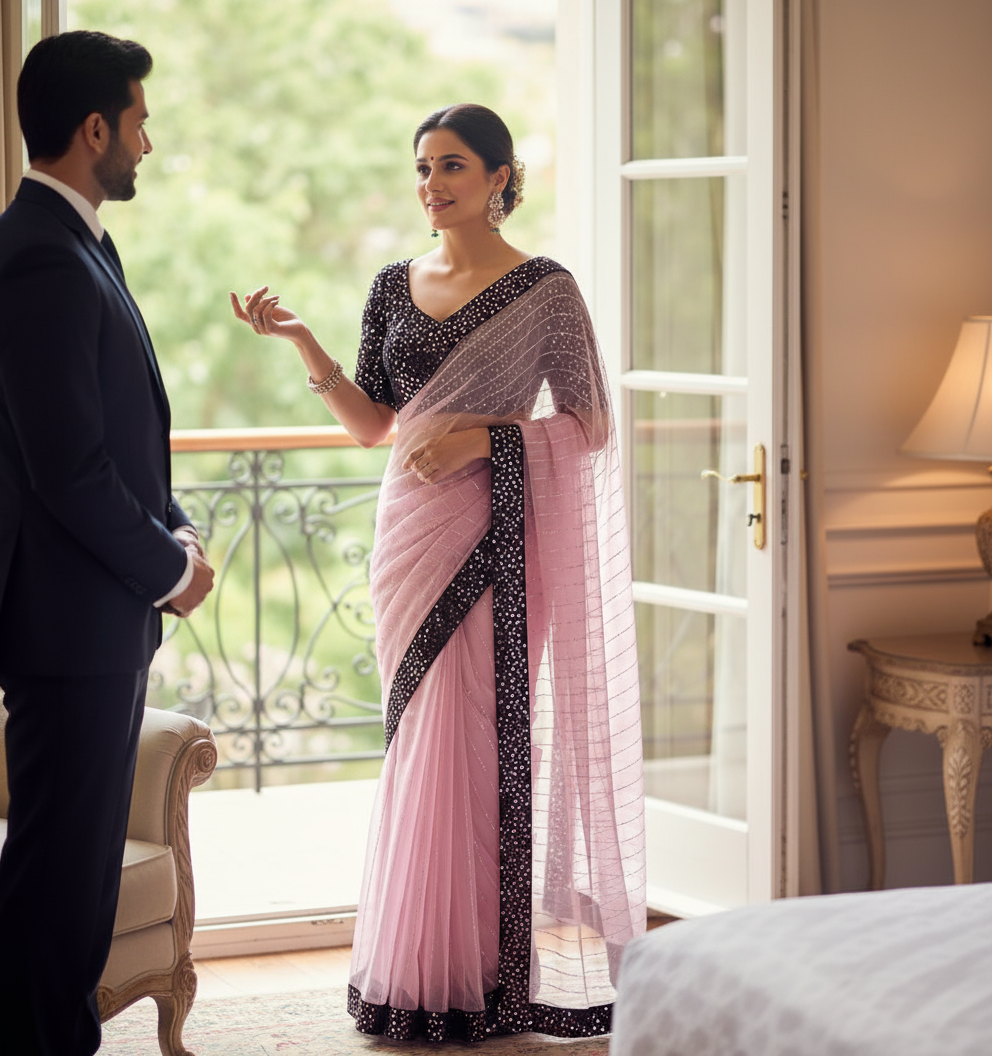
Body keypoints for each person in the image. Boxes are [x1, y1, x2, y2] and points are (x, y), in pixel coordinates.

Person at [232, 103, 644, 1042]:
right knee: (421, 738)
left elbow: (590, 426)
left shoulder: (547, 291)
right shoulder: (390, 286)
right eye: (422, 169)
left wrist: (482, 436)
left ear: (502, 177)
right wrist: (303, 342)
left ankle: (480, 977)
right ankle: (418, 970)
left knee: (472, 738)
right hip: (408, 535)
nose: (432, 186)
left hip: (496, 531)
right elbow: (377, 425)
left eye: (452, 167)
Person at [0, 30, 214, 1055]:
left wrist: (172, 524)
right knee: (55, 883)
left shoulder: (81, 239)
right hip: (66, 630)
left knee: (79, 881)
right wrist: (174, 573)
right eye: (137, 121)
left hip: (100, 622)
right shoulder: (37, 255)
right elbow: (66, 469)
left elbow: (117, 440)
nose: (147, 142)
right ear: (94, 130)